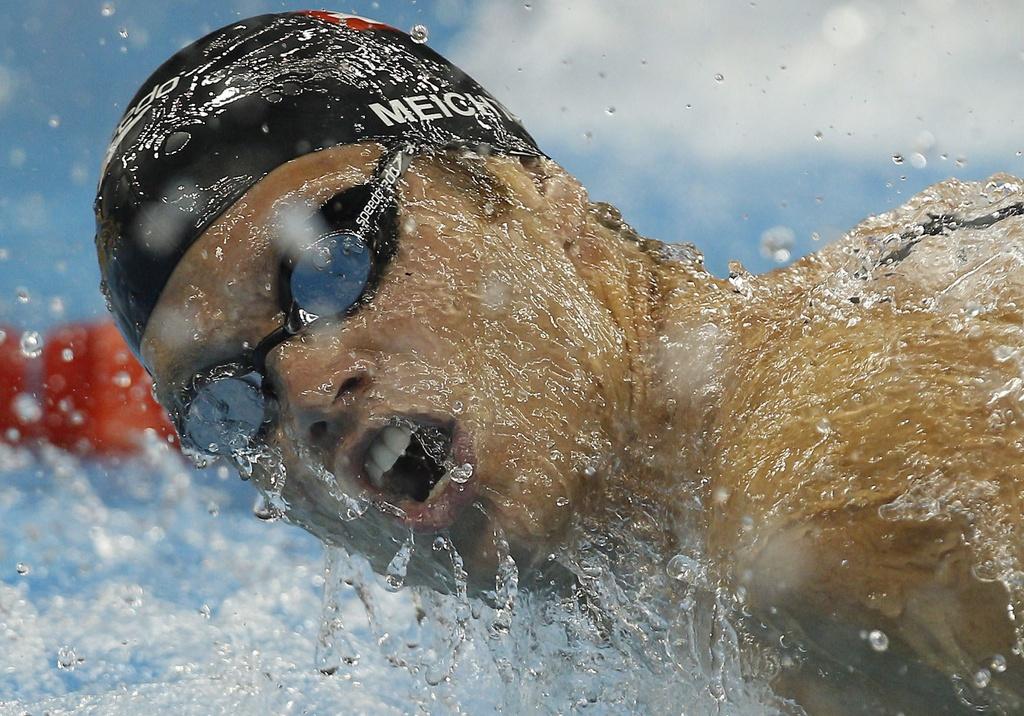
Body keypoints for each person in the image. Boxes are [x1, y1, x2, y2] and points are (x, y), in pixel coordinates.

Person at [95, 11, 1024, 714]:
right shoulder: (713, 547)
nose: (301, 390)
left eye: (330, 264)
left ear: (541, 204)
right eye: (227, 401)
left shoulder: (839, 531)